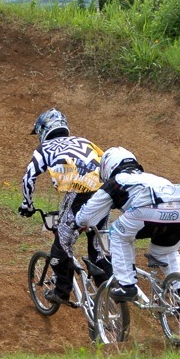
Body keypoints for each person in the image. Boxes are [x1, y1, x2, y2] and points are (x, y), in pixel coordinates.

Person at [75, 147, 180, 303]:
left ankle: (126, 285)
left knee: (117, 234)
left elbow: (87, 215)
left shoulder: (116, 181)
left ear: (107, 167)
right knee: (165, 252)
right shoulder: (154, 178)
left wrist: (77, 223)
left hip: (148, 211)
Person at [18, 108, 109, 305]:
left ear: (43, 130)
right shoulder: (86, 142)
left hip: (80, 193)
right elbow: (107, 162)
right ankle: (108, 287)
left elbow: (28, 178)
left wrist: (27, 204)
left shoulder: (45, 148)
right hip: (104, 194)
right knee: (98, 244)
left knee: (62, 242)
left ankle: (61, 291)